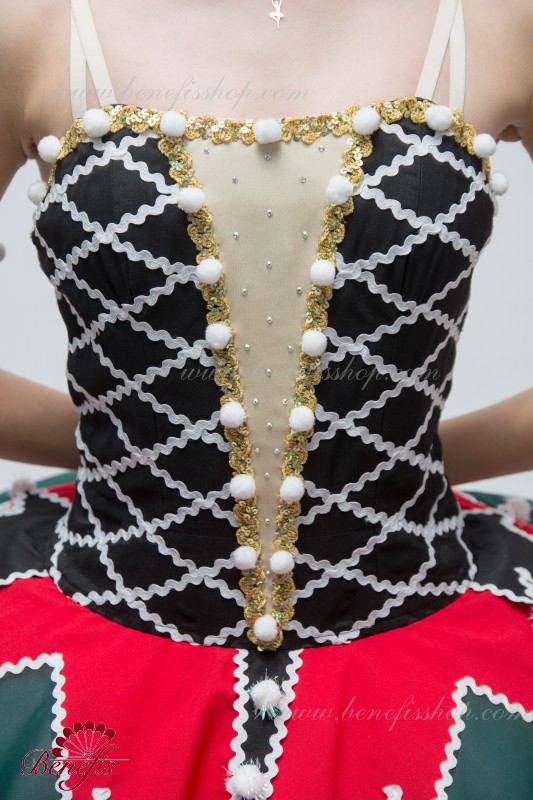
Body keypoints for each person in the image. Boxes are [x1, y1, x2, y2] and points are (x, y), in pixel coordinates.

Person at [0, 0, 532, 798]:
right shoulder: (31, 29)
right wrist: (121, 450)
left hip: (434, 648)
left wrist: (409, 454)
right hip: (89, 646)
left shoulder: (498, 24)